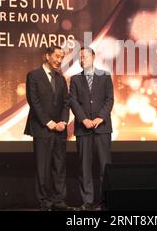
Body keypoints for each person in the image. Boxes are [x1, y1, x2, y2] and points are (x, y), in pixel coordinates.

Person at [24, 46, 70, 211]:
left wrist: (63, 122)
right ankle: (45, 201)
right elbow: (34, 102)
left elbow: (66, 102)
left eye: (61, 57)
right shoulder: (33, 76)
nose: (59, 60)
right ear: (47, 56)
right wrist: (49, 123)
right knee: (42, 167)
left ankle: (59, 200)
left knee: (59, 166)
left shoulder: (61, 78)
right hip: (42, 129)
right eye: (57, 56)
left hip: (60, 129)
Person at [70, 47, 114, 211]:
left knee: (105, 167)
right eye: (80, 57)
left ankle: (105, 201)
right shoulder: (75, 79)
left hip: (102, 128)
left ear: (93, 57)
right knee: (84, 167)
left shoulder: (105, 76)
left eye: (85, 56)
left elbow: (109, 100)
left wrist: (100, 118)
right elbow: (73, 101)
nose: (82, 60)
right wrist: (84, 120)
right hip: (84, 129)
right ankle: (87, 202)